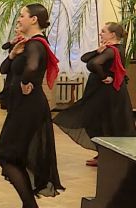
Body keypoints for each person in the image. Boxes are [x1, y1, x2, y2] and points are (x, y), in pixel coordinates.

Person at [0, 3, 63, 208]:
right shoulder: (25, 45)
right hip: (22, 107)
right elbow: (4, 69)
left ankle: (30, 206)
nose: (19, 20)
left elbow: (33, 68)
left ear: (34, 20)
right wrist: (13, 54)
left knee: (7, 155)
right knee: (12, 155)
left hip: (29, 106)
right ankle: (29, 207)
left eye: (22, 15)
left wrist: (26, 81)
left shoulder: (36, 44)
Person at [53, 22, 135, 167]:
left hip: (106, 93)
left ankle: (108, 155)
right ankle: (103, 154)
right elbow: (85, 58)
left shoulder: (113, 50)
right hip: (102, 92)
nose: (100, 33)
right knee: (99, 122)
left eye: (103, 31)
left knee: (103, 122)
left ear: (113, 35)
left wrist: (103, 76)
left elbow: (93, 64)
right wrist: (98, 51)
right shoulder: (108, 49)